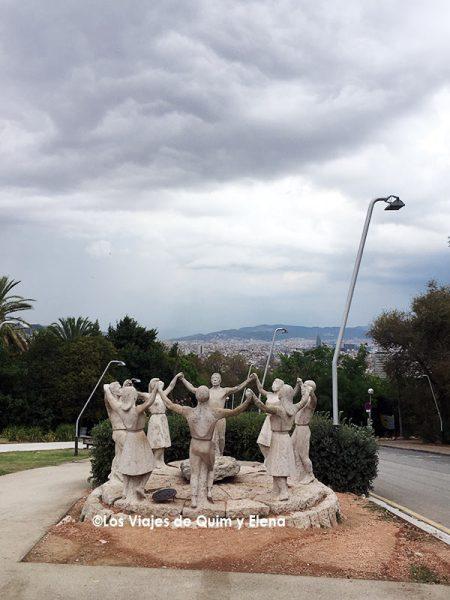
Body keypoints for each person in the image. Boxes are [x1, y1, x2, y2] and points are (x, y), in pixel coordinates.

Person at [159, 384, 252, 508]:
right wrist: (248, 399)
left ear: (196, 397)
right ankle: (207, 492)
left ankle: (194, 499)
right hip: (207, 445)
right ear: (209, 397)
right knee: (209, 469)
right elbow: (236, 411)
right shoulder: (215, 412)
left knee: (194, 473)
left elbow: (170, 404)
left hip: (194, 444)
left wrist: (159, 391)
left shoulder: (188, 411)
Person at [246, 380, 310, 501]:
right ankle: (276, 489)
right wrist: (307, 392)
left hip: (278, 438)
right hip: (284, 438)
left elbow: (263, 407)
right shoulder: (294, 407)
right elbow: (304, 400)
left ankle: (284, 491)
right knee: (277, 464)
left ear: (283, 394)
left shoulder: (279, 409)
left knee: (279, 466)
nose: (278, 393)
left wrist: (253, 397)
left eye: (280, 392)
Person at [103, 382, 158, 503]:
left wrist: (106, 389)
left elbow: (111, 400)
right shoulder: (137, 409)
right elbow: (150, 401)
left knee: (126, 465)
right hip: (139, 437)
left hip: (129, 437)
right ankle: (140, 487)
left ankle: (125, 489)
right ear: (133, 397)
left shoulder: (119, 408)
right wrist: (155, 390)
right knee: (150, 464)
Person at [180, 371, 257, 456]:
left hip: (220, 417)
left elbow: (237, 388)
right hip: (209, 418)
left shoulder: (224, 391)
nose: (214, 380)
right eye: (213, 378)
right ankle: (210, 455)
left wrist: (249, 380)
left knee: (221, 438)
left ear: (220, 380)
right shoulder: (206, 391)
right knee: (209, 438)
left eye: (216, 378)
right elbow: (192, 388)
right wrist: (183, 379)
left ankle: (220, 454)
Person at [255, 376, 303, 460]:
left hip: (278, 421)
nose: (273, 384)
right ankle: (267, 459)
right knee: (262, 442)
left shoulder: (282, 396)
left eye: (276, 383)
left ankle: (273, 460)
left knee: (273, 442)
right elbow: (260, 389)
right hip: (268, 420)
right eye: (274, 382)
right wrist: (256, 379)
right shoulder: (269, 394)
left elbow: (293, 393)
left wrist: (298, 385)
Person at [142, 373, 183, 468]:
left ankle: (161, 461)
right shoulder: (148, 395)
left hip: (163, 418)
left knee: (163, 441)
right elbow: (137, 394)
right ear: (152, 385)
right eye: (155, 382)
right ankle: (155, 461)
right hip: (155, 419)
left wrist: (176, 377)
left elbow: (171, 386)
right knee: (158, 441)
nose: (158, 384)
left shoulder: (162, 394)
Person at [291, 380, 317, 484]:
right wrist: (301, 383)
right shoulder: (303, 400)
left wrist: (311, 392)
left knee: (303, 454)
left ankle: (310, 474)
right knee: (291, 448)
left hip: (303, 429)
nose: (303, 388)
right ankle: (298, 471)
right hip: (297, 428)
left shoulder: (311, 401)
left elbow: (314, 399)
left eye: (305, 387)